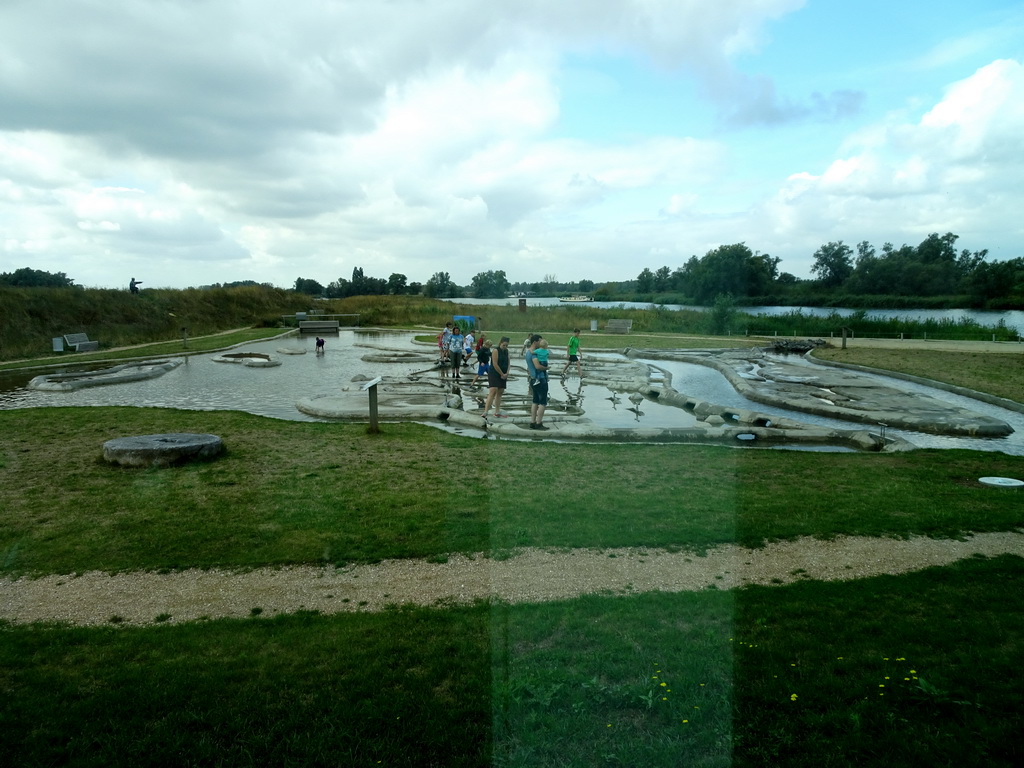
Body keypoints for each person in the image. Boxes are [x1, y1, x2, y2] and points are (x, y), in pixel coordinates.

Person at [481, 336, 510, 419]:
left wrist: (507, 373)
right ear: (500, 343)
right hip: (494, 373)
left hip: (503, 373)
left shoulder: (507, 351)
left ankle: (497, 411)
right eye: (504, 345)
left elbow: (508, 363)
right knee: (493, 390)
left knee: (500, 391)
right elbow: (495, 363)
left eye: (506, 345)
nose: (505, 347)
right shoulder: (495, 350)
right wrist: (501, 373)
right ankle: (485, 411)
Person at [524, 334, 549, 430]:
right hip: (540, 379)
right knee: (543, 402)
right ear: (535, 342)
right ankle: (539, 423)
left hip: (532, 379)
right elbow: (537, 366)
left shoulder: (528, 352)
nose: (541, 343)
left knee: (535, 401)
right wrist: (546, 368)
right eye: (540, 341)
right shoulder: (534, 354)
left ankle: (532, 421)